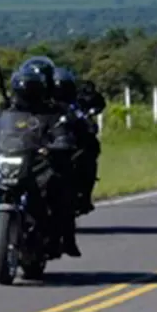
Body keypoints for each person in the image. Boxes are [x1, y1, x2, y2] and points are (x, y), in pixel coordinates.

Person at [0, 64, 80, 258]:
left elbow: (62, 132)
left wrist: (58, 143)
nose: (27, 95)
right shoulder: (6, 113)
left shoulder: (52, 113)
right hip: (8, 158)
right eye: (24, 91)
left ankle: (61, 237)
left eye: (32, 91)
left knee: (58, 190)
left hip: (37, 164)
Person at [53, 67, 100, 216]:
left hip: (70, 145)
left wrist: (88, 125)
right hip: (43, 145)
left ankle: (83, 195)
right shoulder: (38, 105)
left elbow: (87, 120)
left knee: (90, 153)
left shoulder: (75, 105)